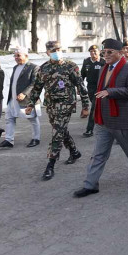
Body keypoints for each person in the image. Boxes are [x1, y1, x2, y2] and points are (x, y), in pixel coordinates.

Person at [74, 38, 128, 198]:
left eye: (110, 52)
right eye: (104, 52)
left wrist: (111, 92)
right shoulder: (104, 68)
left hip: (122, 119)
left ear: (120, 53)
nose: (106, 55)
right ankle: (91, 184)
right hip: (103, 120)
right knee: (98, 154)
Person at [26, 41, 90, 181]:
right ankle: (74, 152)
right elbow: (37, 88)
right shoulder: (44, 68)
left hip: (66, 104)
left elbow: (80, 86)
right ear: (48, 52)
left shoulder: (70, 66)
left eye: (59, 49)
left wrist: (85, 106)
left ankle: (50, 164)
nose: (57, 51)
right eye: (53, 50)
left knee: (57, 133)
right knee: (60, 130)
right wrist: (30, 104)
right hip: (51, 105)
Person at [0, 47, 41, 148]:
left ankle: (36, 138)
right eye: (15, 56)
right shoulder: (15, 67)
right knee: (9, 118)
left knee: (32, 119)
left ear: (26, 56)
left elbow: (35, 83)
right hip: (13, 98)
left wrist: (24, 93)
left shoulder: (34, 67)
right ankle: (9, 140)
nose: (16, 58)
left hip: (28, 99)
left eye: (18, 55)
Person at [81, 45, 106, 137]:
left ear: (99, 52)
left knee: (94, 107)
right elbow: (82, 75)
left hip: (101, 87)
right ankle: (102, 122)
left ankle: (89, 129)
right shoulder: (87, 61)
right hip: (90, 87)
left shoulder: (103, 62)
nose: (93, 53)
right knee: (97, 106)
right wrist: (79, 88)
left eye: (95, 51)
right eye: (91, 51)